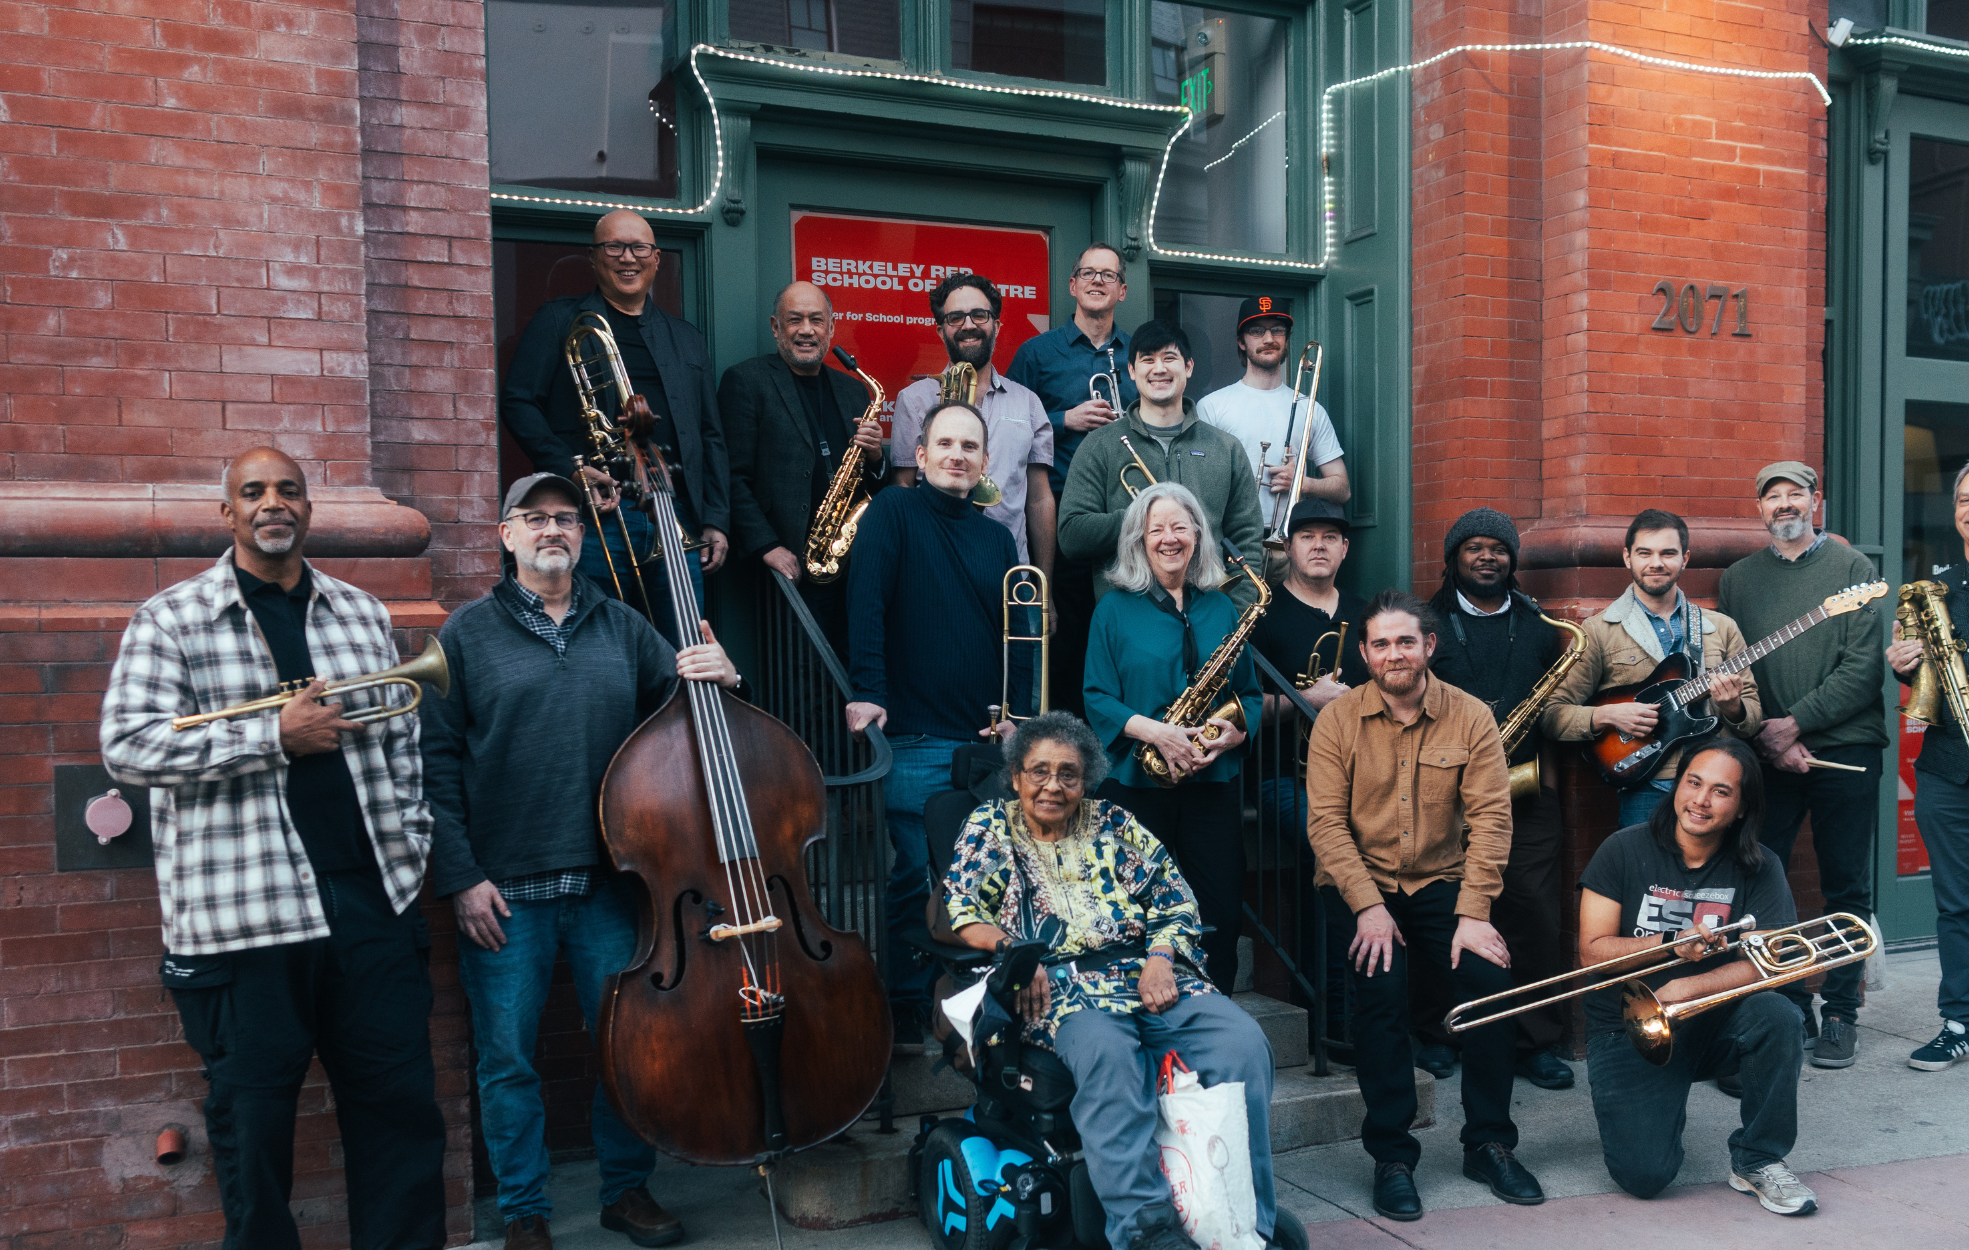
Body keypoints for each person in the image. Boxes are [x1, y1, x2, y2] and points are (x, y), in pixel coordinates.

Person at [100, 447, 446, 1250]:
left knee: (400, 1117)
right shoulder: (172, 618)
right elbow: (128, 747)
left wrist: (411, 847)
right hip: (244, 924)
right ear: (227, 514)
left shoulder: (360, 613)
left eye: (287, 490)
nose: (272, 504)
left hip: (369, 908)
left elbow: (401, 744)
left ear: (308, 510)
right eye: (252, 492)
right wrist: (272, 735)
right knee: (253, 1138)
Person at [422, 472, 741, 1249]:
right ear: (506, 537)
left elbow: (684, 723)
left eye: (565, 518)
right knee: (508, 1063)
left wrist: (723, 677)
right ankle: (525, 1212)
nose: (551, 530)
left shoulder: (623, 626)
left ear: (583, 534)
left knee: (627, 1053)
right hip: (505, 893)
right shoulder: (465, 635)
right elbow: (430, 765)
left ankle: (625, 1192)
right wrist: (460, 876)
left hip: (611, 885)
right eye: (533, 519)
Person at [945, 712, 1284, 1250]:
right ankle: (1145, 1228)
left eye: (1068, 774)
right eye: (1039, 772)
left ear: (1087, 780)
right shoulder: (990, 826)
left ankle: (1243, 1215)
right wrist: (1016, 951)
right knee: (1109, 1058)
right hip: (1060, 987)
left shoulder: (1115, 825)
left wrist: (1162, 955)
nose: (1052, 785)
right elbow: (962, 911)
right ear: (1015, 776)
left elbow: (1176, 900)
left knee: (1242, 1045)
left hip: (1148, 974)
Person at [1304, 590, 1540, 1221]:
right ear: (1364, 653)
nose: (1393, 654)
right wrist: (1366, 907)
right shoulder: (1338, 721)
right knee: (1381, 997)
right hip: (1364, 884)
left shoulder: (1470, 717)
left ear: (1429, 646)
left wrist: (1474, 913)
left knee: (1491, 987)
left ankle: (1487, 1143)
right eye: (1380, 644)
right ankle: (1393, 1157)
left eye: (1405, 641)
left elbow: (1492, 817)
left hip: (1443, 882)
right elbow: (1326, 825)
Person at [848, 402, 1030, 1051]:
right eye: (944, 444)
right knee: (911, 878)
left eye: (969, 446)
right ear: (919, 456)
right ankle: (901, 1009)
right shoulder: (893, 512)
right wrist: (867, 693)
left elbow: (1014, 638)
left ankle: (976, 1022)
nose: (957, 454)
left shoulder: (996, 537)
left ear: (984, 462)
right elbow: (865, 600)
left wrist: (1019, 712)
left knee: (986, 882)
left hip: (984, 743)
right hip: (917, 734)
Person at [1578, 737, 1817, 1217]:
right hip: (1629, 1026)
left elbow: (1770, 961)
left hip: (1714, 1019)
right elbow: (1592, 953)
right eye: (1693, 783)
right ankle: (1658, 1109)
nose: (1701, 801)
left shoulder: (1761, 865)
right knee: (1644, 1176)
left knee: (1779, 1015)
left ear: (1743, 807)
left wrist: (1686, 987)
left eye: (1721, 791)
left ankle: (1758, 1158)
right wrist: (1666, 946)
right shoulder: (1622, 848)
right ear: (1677, 786)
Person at [1717, 461, 1887, 1068]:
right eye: (1772, 497)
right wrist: (1771, 734)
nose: (1784, 505)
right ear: (1759, 508)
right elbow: (1737, 667)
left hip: (1847, 747)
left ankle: (1842, 1010)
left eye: (1796, 495)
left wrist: (1797, 723)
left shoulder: (1852, 570)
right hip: (1766, 749)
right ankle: (1789, 1003)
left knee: (1846, 884)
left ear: (1818, 500)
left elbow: (1863, 669)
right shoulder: (1738, 580)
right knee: (1764, 880)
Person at [498, 208, 731, 648]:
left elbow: (709, 434)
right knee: (598, 640)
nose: (628, 258)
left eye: (639, 247)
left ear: (656, 258)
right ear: (594, 257)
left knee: (685, 644)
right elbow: (518, 402)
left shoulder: (686, 337)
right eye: (614, 247)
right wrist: (569, 467)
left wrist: (716, 518)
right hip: (597, 515)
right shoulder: (558, 321)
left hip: (672, 512)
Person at [1404, 507, 1577, 1090]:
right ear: (1453, 558)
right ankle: (1440, 1032)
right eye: (1473, 547)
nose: (1486, 557)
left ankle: (1535, 1041)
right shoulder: (1425, 623)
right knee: (1441, 916)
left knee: (1533, 916)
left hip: (1523, 793)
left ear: (1512, 559)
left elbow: (1552, 716)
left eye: (1497, 548)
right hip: (1440, 792)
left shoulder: (1536, 624)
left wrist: (1546, 791)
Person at [1082, 482, 1261, 994]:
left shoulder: (1222, 609)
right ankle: (1138, 1009)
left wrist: (1232, 733)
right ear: (1138, 539)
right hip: (1137, 783)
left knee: (1221, 908)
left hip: (1211, 782)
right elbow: (1096, 696)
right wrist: (1158, 733)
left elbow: (1248, 693)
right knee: (1132, 905)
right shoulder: (1113, 609)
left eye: (1179, 527)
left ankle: (1216, 1008)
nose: (1168, 538)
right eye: (1156, 528)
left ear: (1198, 536)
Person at [1543, 508, 1760, 828]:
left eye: (1668, 553)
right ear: (1627, 557)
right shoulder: (1599, 630)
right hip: (1645, 785)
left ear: (1685, 559)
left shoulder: (1722, 628)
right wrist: (1606, 715)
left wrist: (1733, 707)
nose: (1656, 563)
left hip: (1713, 788)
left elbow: (1753, 718)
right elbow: (1551, 715)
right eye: (1645, 553)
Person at [1008, 243, 1140, 718]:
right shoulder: (1037, 352)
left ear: (1123, 289)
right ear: (1073, 285)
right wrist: (1065, 418)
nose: (1097, 281)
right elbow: (1007, 421)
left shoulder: (1137, 353)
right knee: (1066, 630)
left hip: (1125, 510)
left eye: (1108, 275)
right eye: (1088, 273)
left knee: (1121, 626)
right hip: (1059, 505)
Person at [718, 280, 885, 656]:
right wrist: (768, 546)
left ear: (831, 327)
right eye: (795, 320)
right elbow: (731, 475)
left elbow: (871, 481)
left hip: (850, 563)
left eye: (816, 320)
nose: (806, 330)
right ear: (776, 327)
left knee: (855, 668)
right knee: (801, 683)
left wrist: (875, 456)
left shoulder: (853, 389)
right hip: (789, 563)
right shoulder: (746, 381)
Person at [1058, 319, 1266, 610]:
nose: (1159, 369)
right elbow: (1071, 536)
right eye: (1147, 360)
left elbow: (1248, 539)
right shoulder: (1099, 445)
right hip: (1129, 615)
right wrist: (1144, 520)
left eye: (1170, 358)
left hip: (1209, 611)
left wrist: (1236, 613)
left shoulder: (1226, 448)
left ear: (1189, 367)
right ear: (1131, 371)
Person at [1886, 462, 1969, 1072]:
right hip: (1947, 769)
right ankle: (1959, 1021)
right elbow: (1917, 683)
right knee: (1955, 902)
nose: (1968, 508)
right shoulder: (1938, 587)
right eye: (1963, 499)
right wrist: (1901, 659)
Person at [891, 273, 1056, 576]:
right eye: (956, 317)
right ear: (941, 331)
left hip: (1012, 576)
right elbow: (903, 486)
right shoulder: (912, 400)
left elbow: (1039, 498)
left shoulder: (1029, 402)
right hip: (935, 571)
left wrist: (1046, 587)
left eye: (980, 315)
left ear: (997, 326)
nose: (968, 325)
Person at [1250, 497, 1368, 828]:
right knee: (1335, 844)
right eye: (1307, 536)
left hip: (1359, 776)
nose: (1319, 546)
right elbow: (1247, 708)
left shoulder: (1366, 614)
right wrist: (1308, 699)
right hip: (1286, 779)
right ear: (1287, 547)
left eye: (1329, 537)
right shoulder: (1263, 618)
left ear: (1344, 548)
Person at [1195, 296, 1350, 524]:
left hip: (1291, 540)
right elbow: (1199, 483)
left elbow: (1343, 488)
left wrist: (1302, 482)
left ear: (1286, 339)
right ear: (1241, 341)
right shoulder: (1212, 406)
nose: (1269, 339)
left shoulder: (1310, 408)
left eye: (1277, 330)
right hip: (1233, 540)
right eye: (1257, 331)